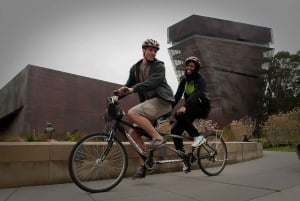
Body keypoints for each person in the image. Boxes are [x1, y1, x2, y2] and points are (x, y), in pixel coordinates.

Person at [117, 39, 175, 179]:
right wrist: (117, 95)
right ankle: (143, 166)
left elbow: (152, 82)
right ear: (143, 50)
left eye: (155, 51)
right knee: (134, 133)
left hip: (163, 100)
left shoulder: (159, 66)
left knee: (132, 112)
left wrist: (133, 89)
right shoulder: (135, 68)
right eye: (150, 50)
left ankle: (157, 137)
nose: (153, 53)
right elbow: (128, 85)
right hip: (150, 104)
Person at [171, 56, 211, 173]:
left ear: (196, 68)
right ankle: (185, 159)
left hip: (201, 107)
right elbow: (177, 97)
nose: (188, 68)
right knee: (175, 131)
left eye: (191, 66)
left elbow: (197, 94)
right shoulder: (184, 80)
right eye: (187, 65)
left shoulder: (200, 79)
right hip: (190, 106)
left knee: (181, 114)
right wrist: (166, 110)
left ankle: (198, 136)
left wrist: (185, 106)